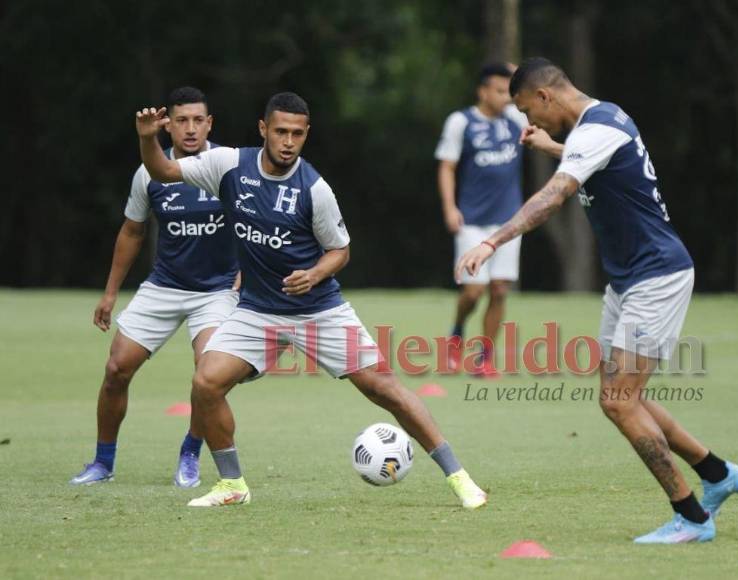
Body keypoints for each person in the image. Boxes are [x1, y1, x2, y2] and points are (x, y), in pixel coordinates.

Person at [134, 92, 488, 509]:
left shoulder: (315, 189)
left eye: (297, 134)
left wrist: (315, 274)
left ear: (306, 135)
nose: (288, 141)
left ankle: (460, 477)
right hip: (258, 312)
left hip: (320, 312)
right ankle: (232, 485)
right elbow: (162, 169)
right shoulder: (228, 165)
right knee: (205, 383)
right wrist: (146, 139)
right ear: (263, 129)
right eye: (280, 131)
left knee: (384, 388)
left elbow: (341, 250)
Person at [456, 58, 738, 543]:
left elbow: (553, 196)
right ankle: (718, 473)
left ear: (546, 97)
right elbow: (585, 157)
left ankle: (692, 518)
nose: (531, 123)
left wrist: (492, 241)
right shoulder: (603, 119)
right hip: (628, 279)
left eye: (531, 112)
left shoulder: (596, 130)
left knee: (618, 401)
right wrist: (551, 144)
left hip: (657, 276)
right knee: (622, 397)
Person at [70, 87, 239, 489]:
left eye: (199, 120)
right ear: (168, 125)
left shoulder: (228, 167)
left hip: (216, 291)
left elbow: (257, 222)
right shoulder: (149, 172)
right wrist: (111, 292)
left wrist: (246, 274)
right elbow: (132, 230)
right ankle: (103, 462)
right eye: (181, 120)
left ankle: (190, 453)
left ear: (210, 123)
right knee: (116, 369)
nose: (191, 128)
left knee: (208, 375)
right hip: (164, 285)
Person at [435, 63, 528, 378]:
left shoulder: (515, 120)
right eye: (500, 91)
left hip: (509, 222)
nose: (506, 98)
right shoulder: (461, 122)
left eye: (509, 91)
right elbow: (447, 166)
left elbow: (538, 96)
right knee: (474, 290)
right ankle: (458, 330)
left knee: (500, 290)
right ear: (483, 91)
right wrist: (450, 207)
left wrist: (522, 73)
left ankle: (484, 359)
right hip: (472, 221)